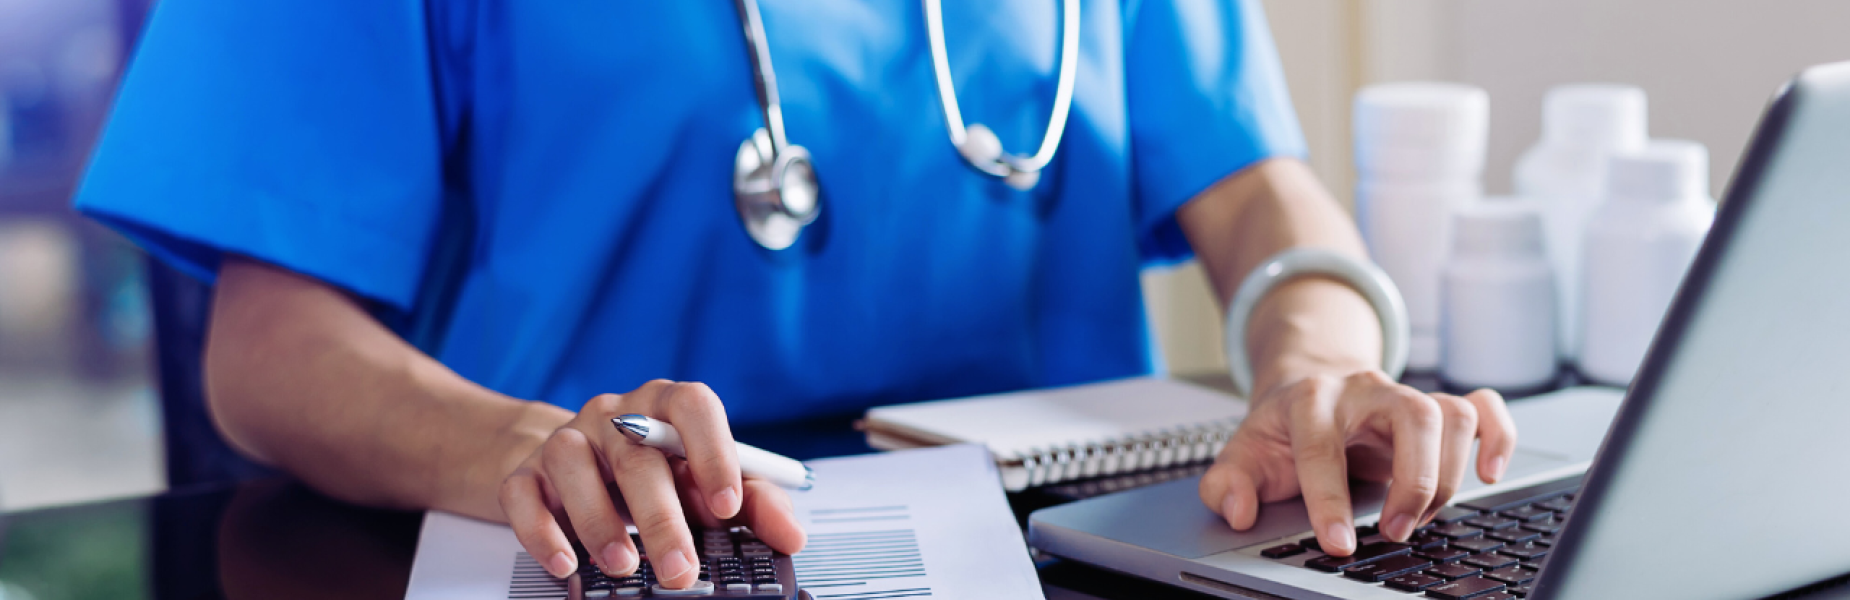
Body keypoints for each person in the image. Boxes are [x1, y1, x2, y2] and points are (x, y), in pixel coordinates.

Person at [76, 0, 1515, 590]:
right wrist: (521, 450)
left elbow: (1258, 192)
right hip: (629, 564)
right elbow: (268, 351)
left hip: (1065, 559)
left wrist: (1312, 365)